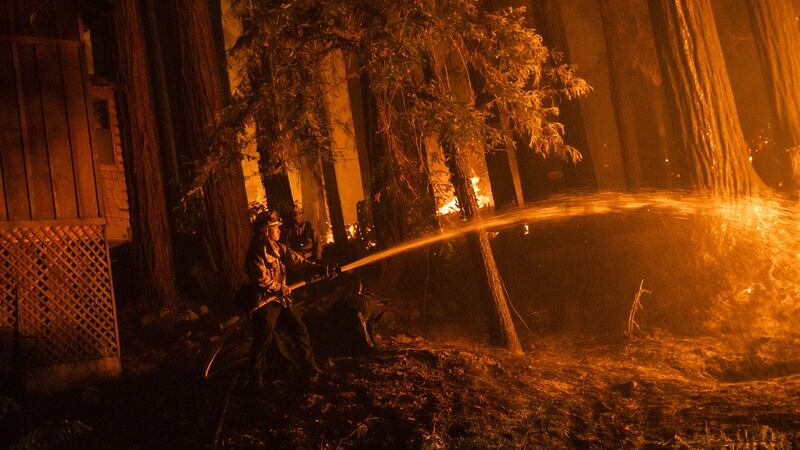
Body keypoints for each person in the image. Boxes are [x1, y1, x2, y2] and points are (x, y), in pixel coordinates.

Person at [245, 210, 326, 388]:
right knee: (262, 343)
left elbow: (298, 261)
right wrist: (280, 287)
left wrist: (319, 268)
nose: (279, 231)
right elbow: (261, 279)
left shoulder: (279, 248)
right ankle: (255, 383)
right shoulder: (256, 253)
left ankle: (310, 369)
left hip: (281, 300)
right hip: (265, 304)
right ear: (266, 231)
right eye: (275, 228)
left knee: (299, 329)